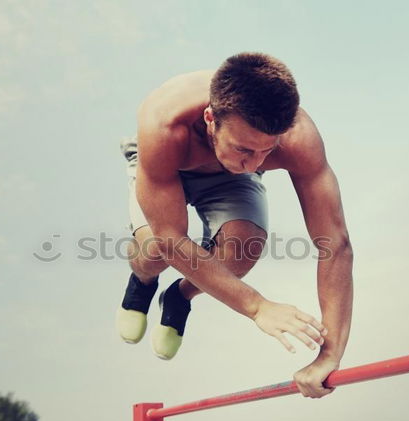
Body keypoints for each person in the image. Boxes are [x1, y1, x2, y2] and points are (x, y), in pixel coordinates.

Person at [116, 52, 353, 399]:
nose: (255, 163)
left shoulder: (297, 139)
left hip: (222, 178)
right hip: (168, 164)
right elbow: (171, 239)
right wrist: (257, 306)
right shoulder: (164, 122)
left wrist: (329, 354)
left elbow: (336, 244)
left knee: (244, 250)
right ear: (210, 119)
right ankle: (143, 282)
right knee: (155, 251)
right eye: (245, 148)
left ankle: (179, 296)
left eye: (266, 152)